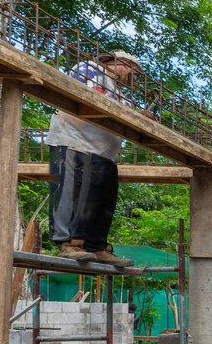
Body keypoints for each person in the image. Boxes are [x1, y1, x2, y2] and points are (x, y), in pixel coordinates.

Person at [46, 51, 145, 267]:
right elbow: (90, 97)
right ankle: (68, 243)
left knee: (101, 201)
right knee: (69, 194)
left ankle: (96, 246)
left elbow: (126, 114)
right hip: (73, 142)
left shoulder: (120, 93)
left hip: (103, 153)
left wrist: (140, 117)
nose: (133, 78)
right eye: (133, 71)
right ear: (121, 63)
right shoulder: (90, 69)